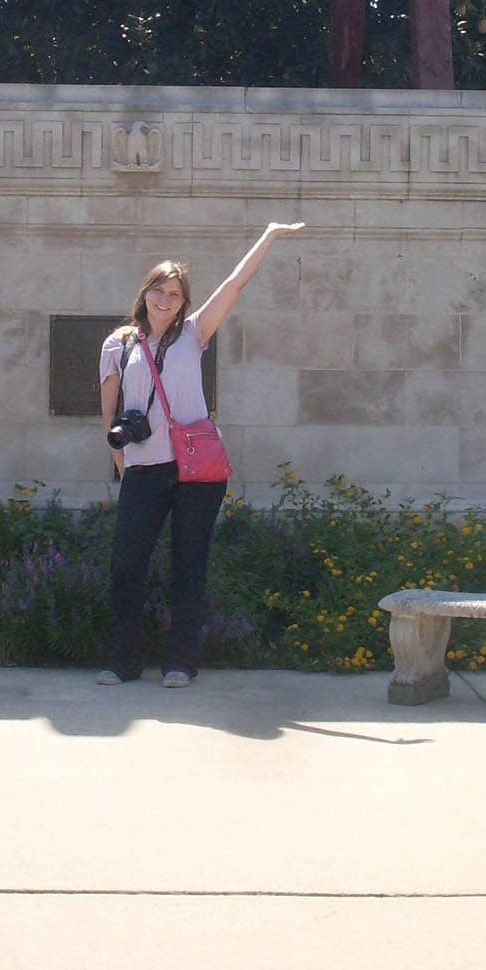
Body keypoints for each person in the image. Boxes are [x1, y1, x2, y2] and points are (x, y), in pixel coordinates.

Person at [96, 221, 305, 688]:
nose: (165, 300)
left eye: (174, 294)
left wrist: (268, 236)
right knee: (126, 565)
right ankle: (124, 661)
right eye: (158, 290)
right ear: (145, 292)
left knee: (189, 564)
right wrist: (120, 462)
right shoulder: (119, 343)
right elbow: (108, 411)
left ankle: (180, 662)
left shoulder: (194, 333)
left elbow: (235, 283)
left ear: (184, 302)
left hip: (197, 472)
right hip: (144, 468)